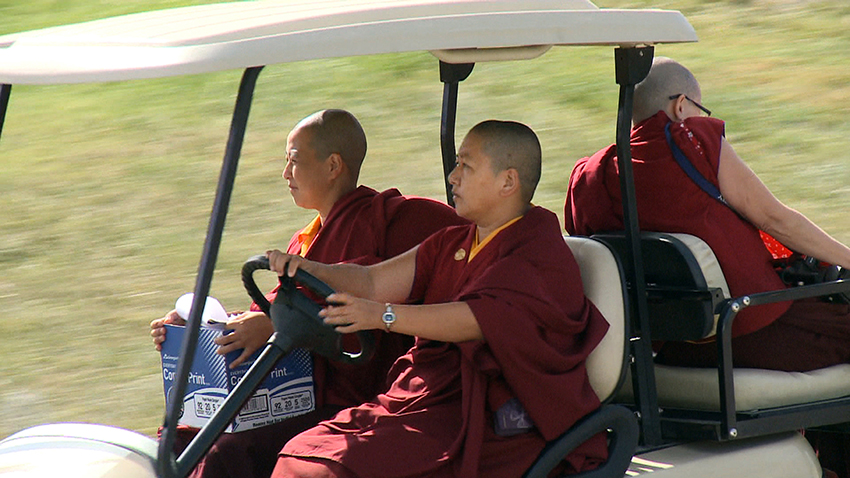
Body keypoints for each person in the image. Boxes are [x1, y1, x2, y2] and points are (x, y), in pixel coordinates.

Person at [266, 120, 610, 478]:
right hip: (423, 398)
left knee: (332, 471)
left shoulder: (540, 254)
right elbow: (371, 281)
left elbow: (476, 319)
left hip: (491, 419)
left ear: (508, 182)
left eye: (466, 166)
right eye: (457, 164)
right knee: (302, 451)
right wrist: (307, 268)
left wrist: (381, 316)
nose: (452, 177)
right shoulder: (452, 243)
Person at [564, 57, 850, 478]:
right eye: (702, 108)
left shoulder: (589, 175)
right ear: (682, 106)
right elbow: (774, 218)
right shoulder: (687, 141)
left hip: (669, 348)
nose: (703, 117)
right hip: (750, 331)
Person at [150, 109, 467, 478]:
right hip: (286, 388)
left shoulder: (390, 220)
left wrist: (270, 324)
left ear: (334, 165)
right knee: (180, 437)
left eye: (295, 161)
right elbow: (280, 308)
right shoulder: (305, 239)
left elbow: (371, 286)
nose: (285, 174)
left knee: (227, 452)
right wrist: (197, 329)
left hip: (336, 397)